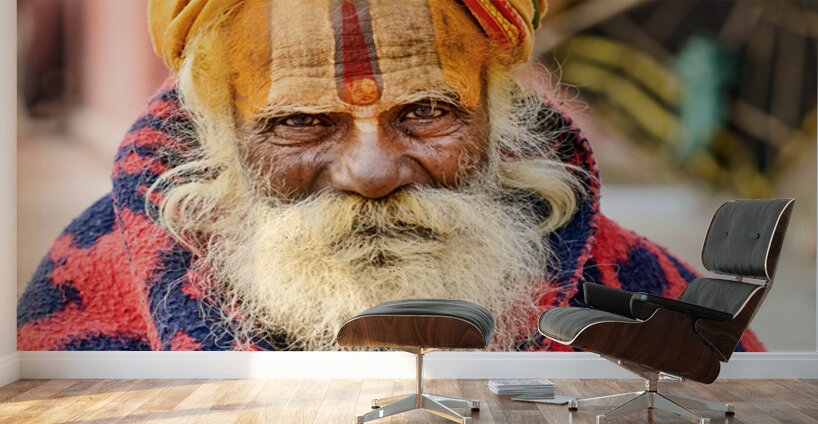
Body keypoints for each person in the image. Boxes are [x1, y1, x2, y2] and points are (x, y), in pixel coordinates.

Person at [17, 0, 763, 352]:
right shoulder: (85, 297)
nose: (372, 172)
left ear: (498, 112)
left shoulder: (643, 297)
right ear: (221, 134)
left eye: (429, 111)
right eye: (301, 121)